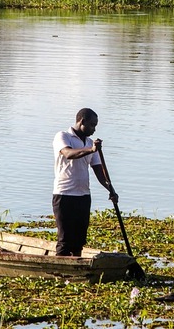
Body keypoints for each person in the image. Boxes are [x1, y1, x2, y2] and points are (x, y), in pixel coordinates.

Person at [51, 107, 116, 256]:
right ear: (82, 121)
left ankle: (77, 270)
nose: (94, 129)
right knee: (65, 240)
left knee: (79, 240)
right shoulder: (63, 136)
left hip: (83, 196)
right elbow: (68, 154)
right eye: (92, 125)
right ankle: (61, 273)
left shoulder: (89, 142)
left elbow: (99, 171)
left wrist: (111, 189)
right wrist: (91, 150)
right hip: (64, 195)